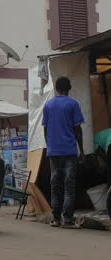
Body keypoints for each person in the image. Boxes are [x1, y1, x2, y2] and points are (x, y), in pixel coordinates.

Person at [43, 76, 84, 229]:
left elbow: (45, 128)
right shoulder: (73, 104)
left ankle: (56, 219)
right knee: (69, 186)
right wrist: (82, 149)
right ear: (69, 88)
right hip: (69, 151)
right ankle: (67, 220)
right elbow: (77, 129)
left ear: (56, 88)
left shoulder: (48, 105)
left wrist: (50, 146)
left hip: (53, 152)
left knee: (55, 185)